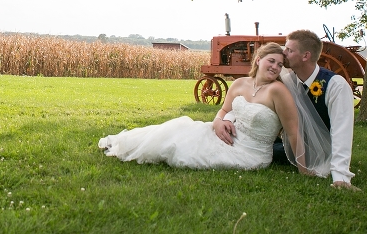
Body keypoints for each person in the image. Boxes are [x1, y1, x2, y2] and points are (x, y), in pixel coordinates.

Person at [98, 43, 329, 176]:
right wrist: (219, 122)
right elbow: (222, 111)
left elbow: (293, 132)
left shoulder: (278, 91)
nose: (276, 67)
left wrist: (303, 169)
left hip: (250, 153)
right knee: (179, 127)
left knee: (182, 152)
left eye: (280, 64)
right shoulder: (239, 84)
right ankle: (122, 143)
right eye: (271, 61)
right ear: (258, 60)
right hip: (223, 135)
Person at [281, 29, 360, 190]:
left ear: (306, 56)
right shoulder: (286, 81)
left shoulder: (336, 85)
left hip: (321, 152)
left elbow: (341, 131)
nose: (283, 53)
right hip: (292, 145)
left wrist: (340, 176)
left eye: (289, 50)